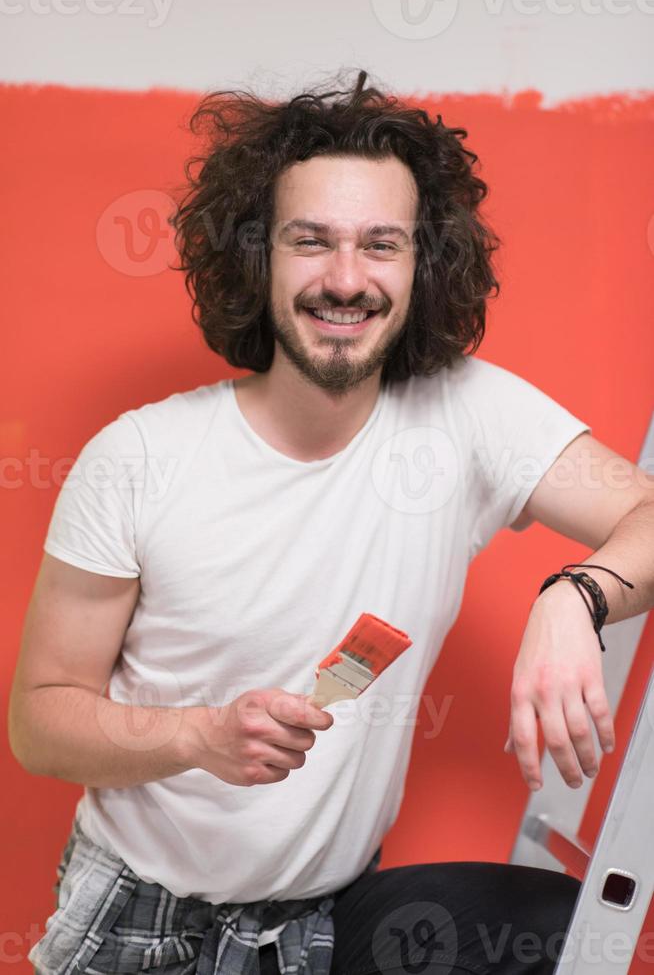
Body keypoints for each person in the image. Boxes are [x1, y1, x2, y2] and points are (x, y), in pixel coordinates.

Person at [9, 68, 653, 975]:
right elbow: (39, 722)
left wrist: (575, 597)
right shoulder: (140, 456)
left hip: (325, 923)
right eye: (311, 242)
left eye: (380, 245)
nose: (346, 280)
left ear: (421, 264)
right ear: (257, 256)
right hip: (139, 921)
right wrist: (197, 736)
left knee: (562, 924)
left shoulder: (465, 415)